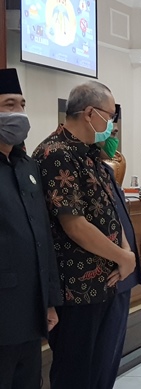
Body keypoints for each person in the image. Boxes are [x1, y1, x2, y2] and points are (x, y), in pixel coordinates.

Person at [33, 81, 137, 389]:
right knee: (75, 372)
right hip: (77, 287)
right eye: (111, 114)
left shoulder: (90, 152)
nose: (112, 123)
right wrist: (123, 257)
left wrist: (126, 254)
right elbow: (74, 224)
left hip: (105, 281)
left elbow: (109, 210)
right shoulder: (56, 153)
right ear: (90, 113)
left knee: (100, 371)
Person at [0, 68, 61, 389]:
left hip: (31, 308)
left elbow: (42, 238)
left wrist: (49, 299)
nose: (20, 113)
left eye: (22, 105)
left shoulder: (27, 167)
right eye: (10, 105)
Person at [95, 125, 141, 389]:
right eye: (109, 131)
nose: (113, 139)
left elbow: (117, 218)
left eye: (115, 133)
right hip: (100, 276)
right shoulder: (67, 162)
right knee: (94, 362)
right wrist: (124, 256)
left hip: (121, 273)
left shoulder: (105, 170)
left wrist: (127, 255)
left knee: (110, 356)